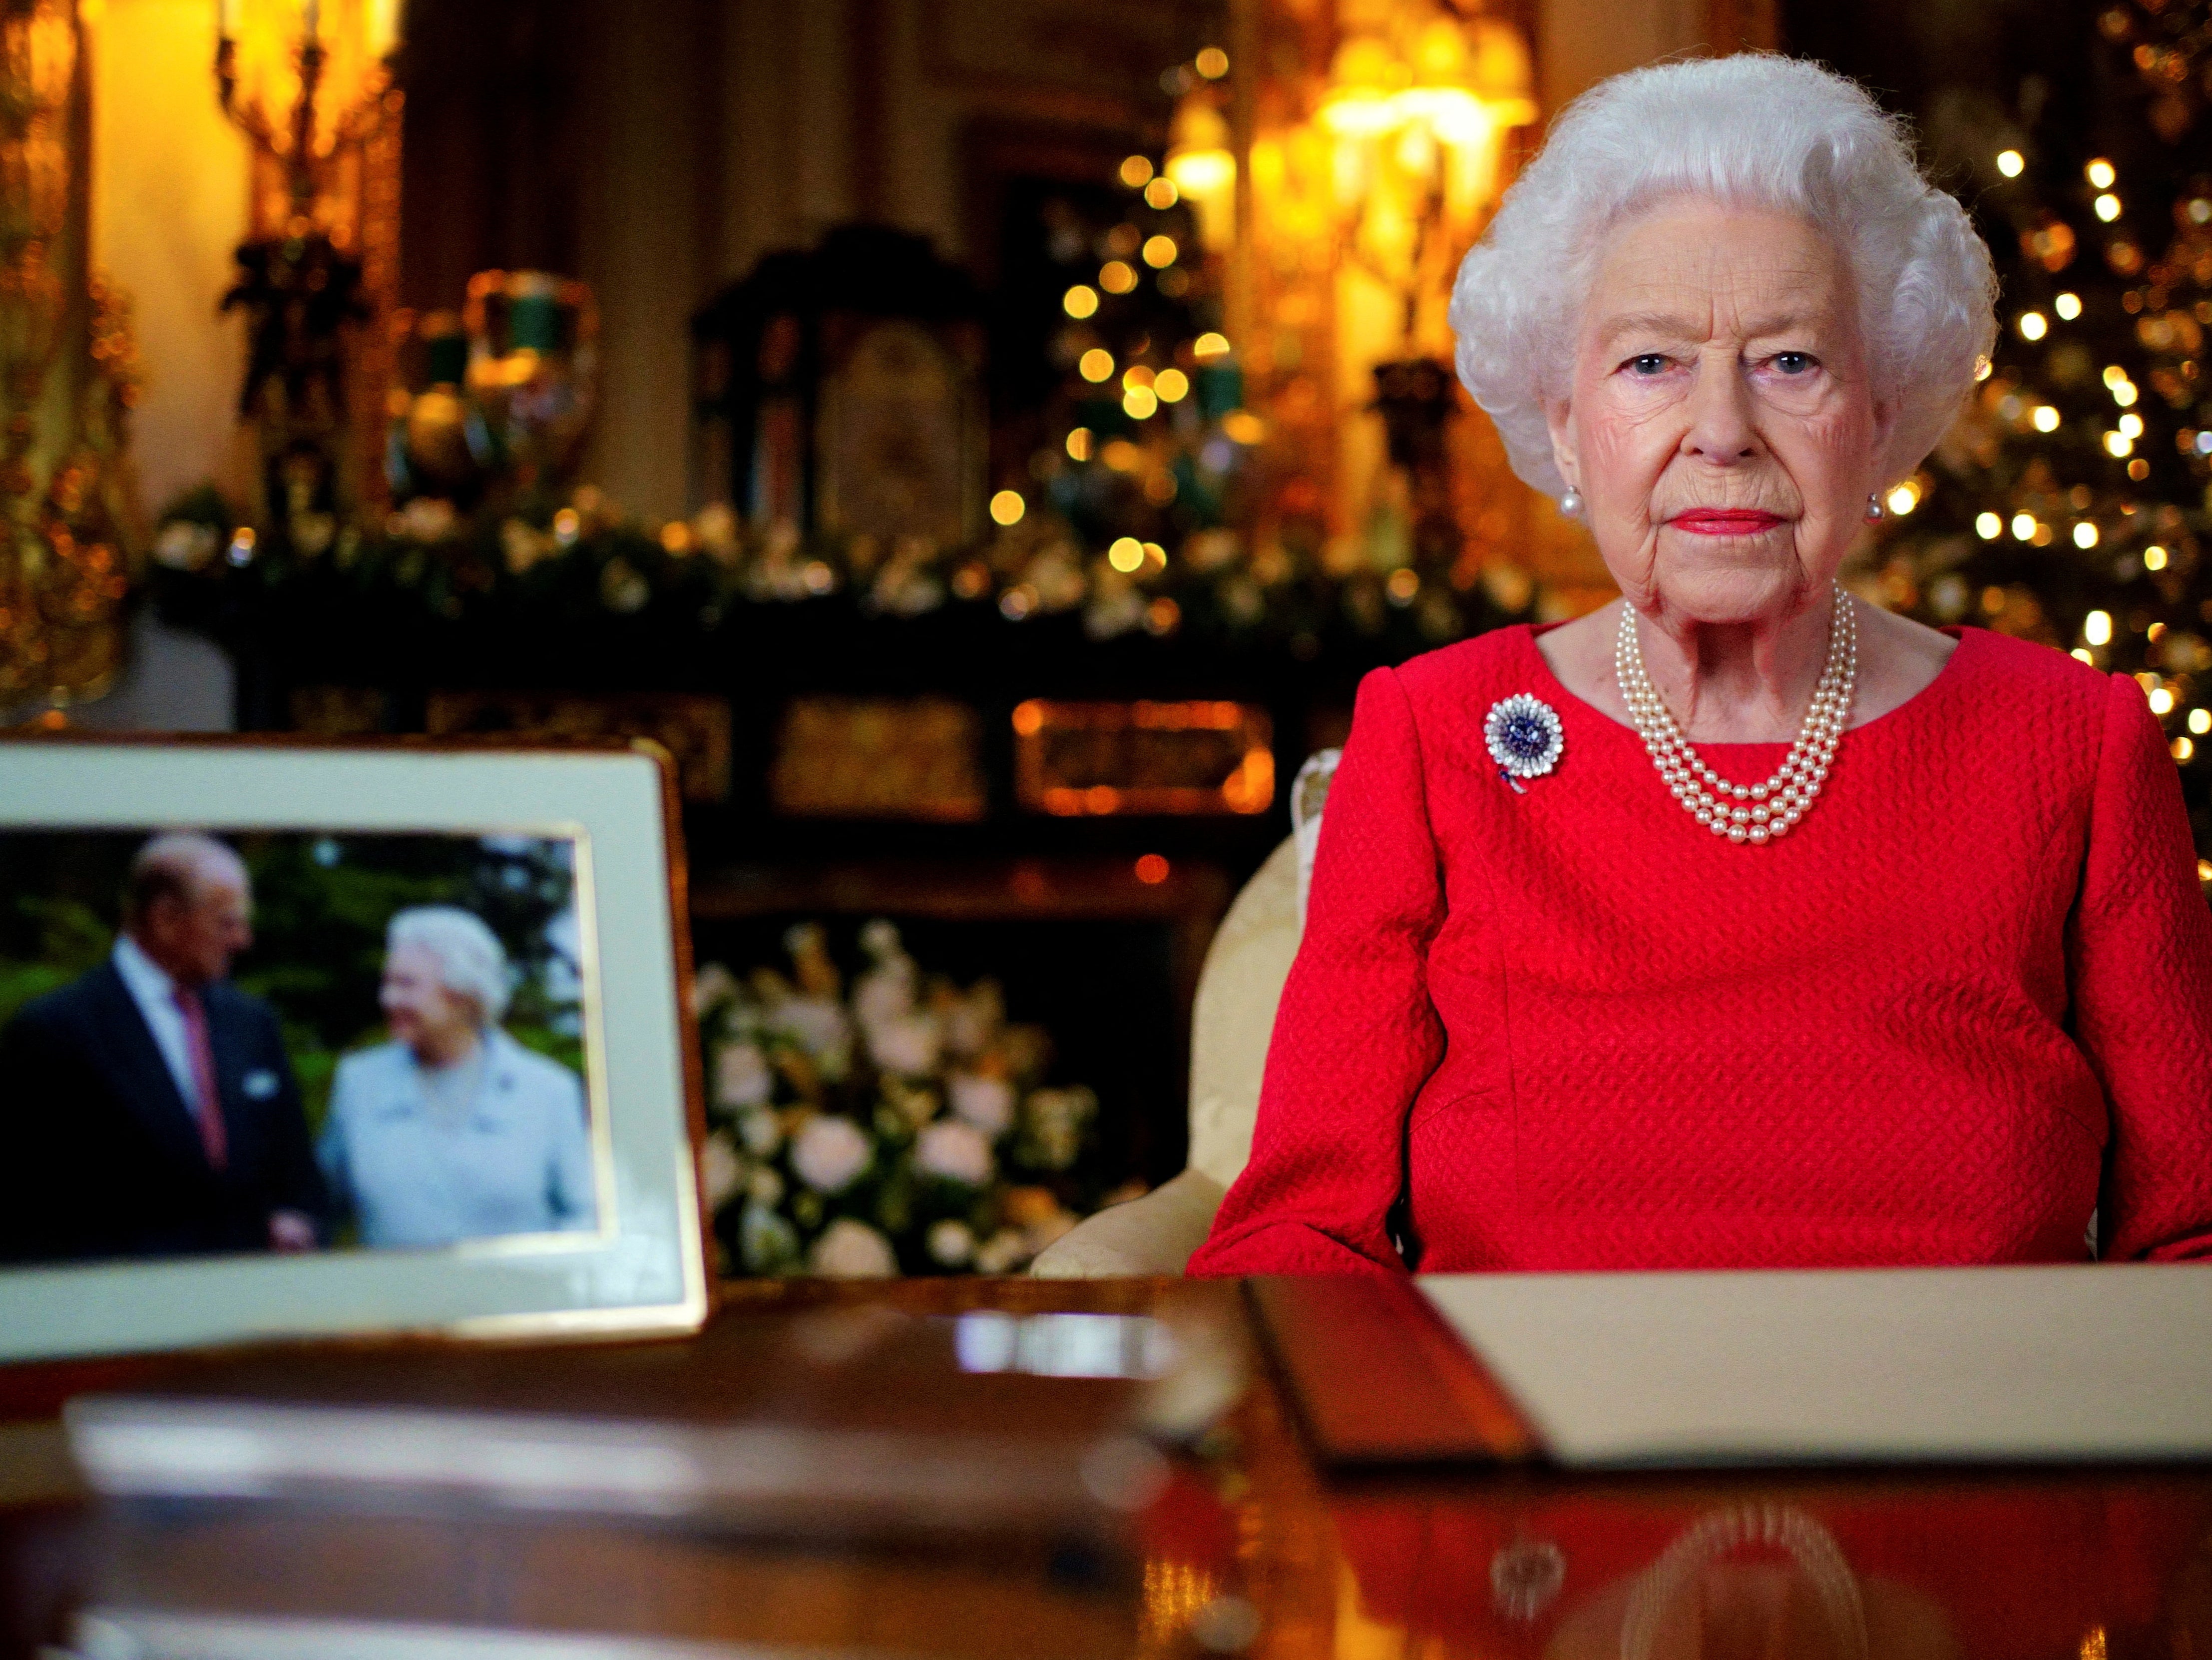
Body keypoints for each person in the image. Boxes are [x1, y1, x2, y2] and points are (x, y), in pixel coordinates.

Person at [1189, 55, 2212, 1278]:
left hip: (1966, 1455)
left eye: (1789, 362)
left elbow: (2191, 1239)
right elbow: (1299, 1239)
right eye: (1649, 363)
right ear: (1565, 420)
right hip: (1529, 1456)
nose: (1720, 431)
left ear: (1879, 414)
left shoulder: (2066, 742)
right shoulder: (1433, 734)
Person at [0, 834, 324, 1263]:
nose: (243, 940)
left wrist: (297, 1219)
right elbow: (27, 1211)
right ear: (166, 918)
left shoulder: (251, 1022)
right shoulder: (56, 1030)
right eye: (227, 922)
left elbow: (297, 1170)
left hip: (250, 1305)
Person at [320, 905, 596, 1248]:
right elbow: (319, 1207)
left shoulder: (548, 1090)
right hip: (393, 1300)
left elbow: (585, 1215)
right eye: (387, 982)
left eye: (406, 984)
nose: (388, 999)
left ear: (463, 996)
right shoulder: (359, 1083)